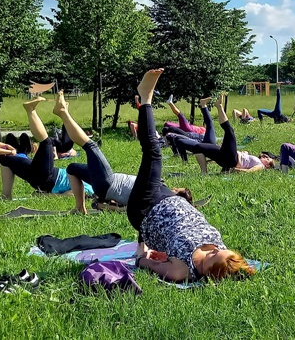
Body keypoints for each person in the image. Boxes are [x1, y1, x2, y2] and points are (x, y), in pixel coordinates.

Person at [128, 68, 255, 282]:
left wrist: (145, 257)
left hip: (146, 208)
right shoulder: (217, 247)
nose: (214, 249)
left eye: (212, 256)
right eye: (218, 249)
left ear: (209, 273)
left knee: (153, 152)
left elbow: (142, 263)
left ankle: (146, 98)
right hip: (167, 198)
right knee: (154, 159)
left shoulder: (182, 271)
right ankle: (145, 99)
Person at [56, 92, 193, 214]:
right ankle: (80, 207)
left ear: (175, 197)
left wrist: (107, 207)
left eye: (176, 190)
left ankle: (63, 113)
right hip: (106, 185)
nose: (173, 187)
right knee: (72, 168)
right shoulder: (156, 190)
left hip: (108, 182)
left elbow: (128, 209)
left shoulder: (155, 195)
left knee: (91, 146)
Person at [0, 97, 95, 200]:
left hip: (48, 178)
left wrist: (45, 195)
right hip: (43, 176)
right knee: (6, 160)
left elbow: (72, 194)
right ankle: (6, 196)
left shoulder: (92, 189)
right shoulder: (94, 182)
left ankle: (30, 110)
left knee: (47, 142)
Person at [171, 95, 275, 174]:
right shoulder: (255, 159)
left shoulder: (261, 166)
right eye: (267, 157)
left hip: (231, 159)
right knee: (198, 147)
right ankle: (203, 172)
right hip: (225, 157)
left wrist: (233, 169)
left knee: (229, 131)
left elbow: (249, 171)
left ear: (268, 166)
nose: (265, 158)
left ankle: (219, 106)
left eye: (268, 160)